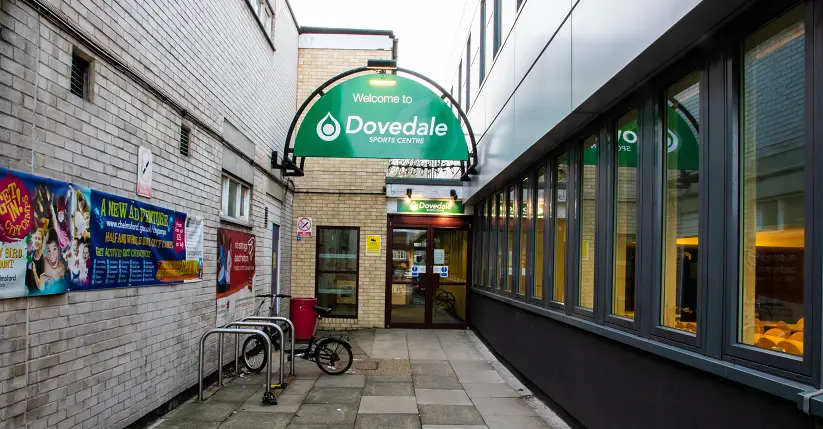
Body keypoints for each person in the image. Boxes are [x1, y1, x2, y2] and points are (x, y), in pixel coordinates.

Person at [25, 227, 45, 293]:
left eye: (39, 239)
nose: (36, 241)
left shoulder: (43, 261)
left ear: (42, 242)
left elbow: (41, 288)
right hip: (29, 293)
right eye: (36, 238)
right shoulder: (32, 254)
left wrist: (34, 271)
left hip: (37, 296)